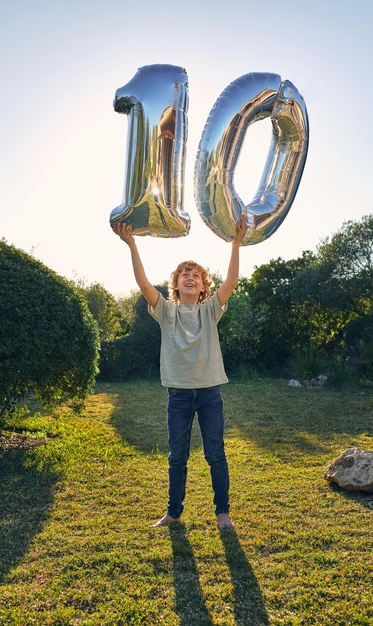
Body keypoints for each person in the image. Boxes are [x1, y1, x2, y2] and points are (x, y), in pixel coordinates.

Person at [114, 215, 247, 529]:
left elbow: (230, 283)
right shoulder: (166, 311)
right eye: (184, 274)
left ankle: (223, 514)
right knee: (177, 457)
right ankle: (173, 513)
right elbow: (144, 284)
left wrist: (236, 244)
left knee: (215, 454)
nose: (190, 278)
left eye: (196, 275)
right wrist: (132, 243)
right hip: (179, 396)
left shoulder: (210, 309)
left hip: (210, 394)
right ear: (175, 284)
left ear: (203, 286)